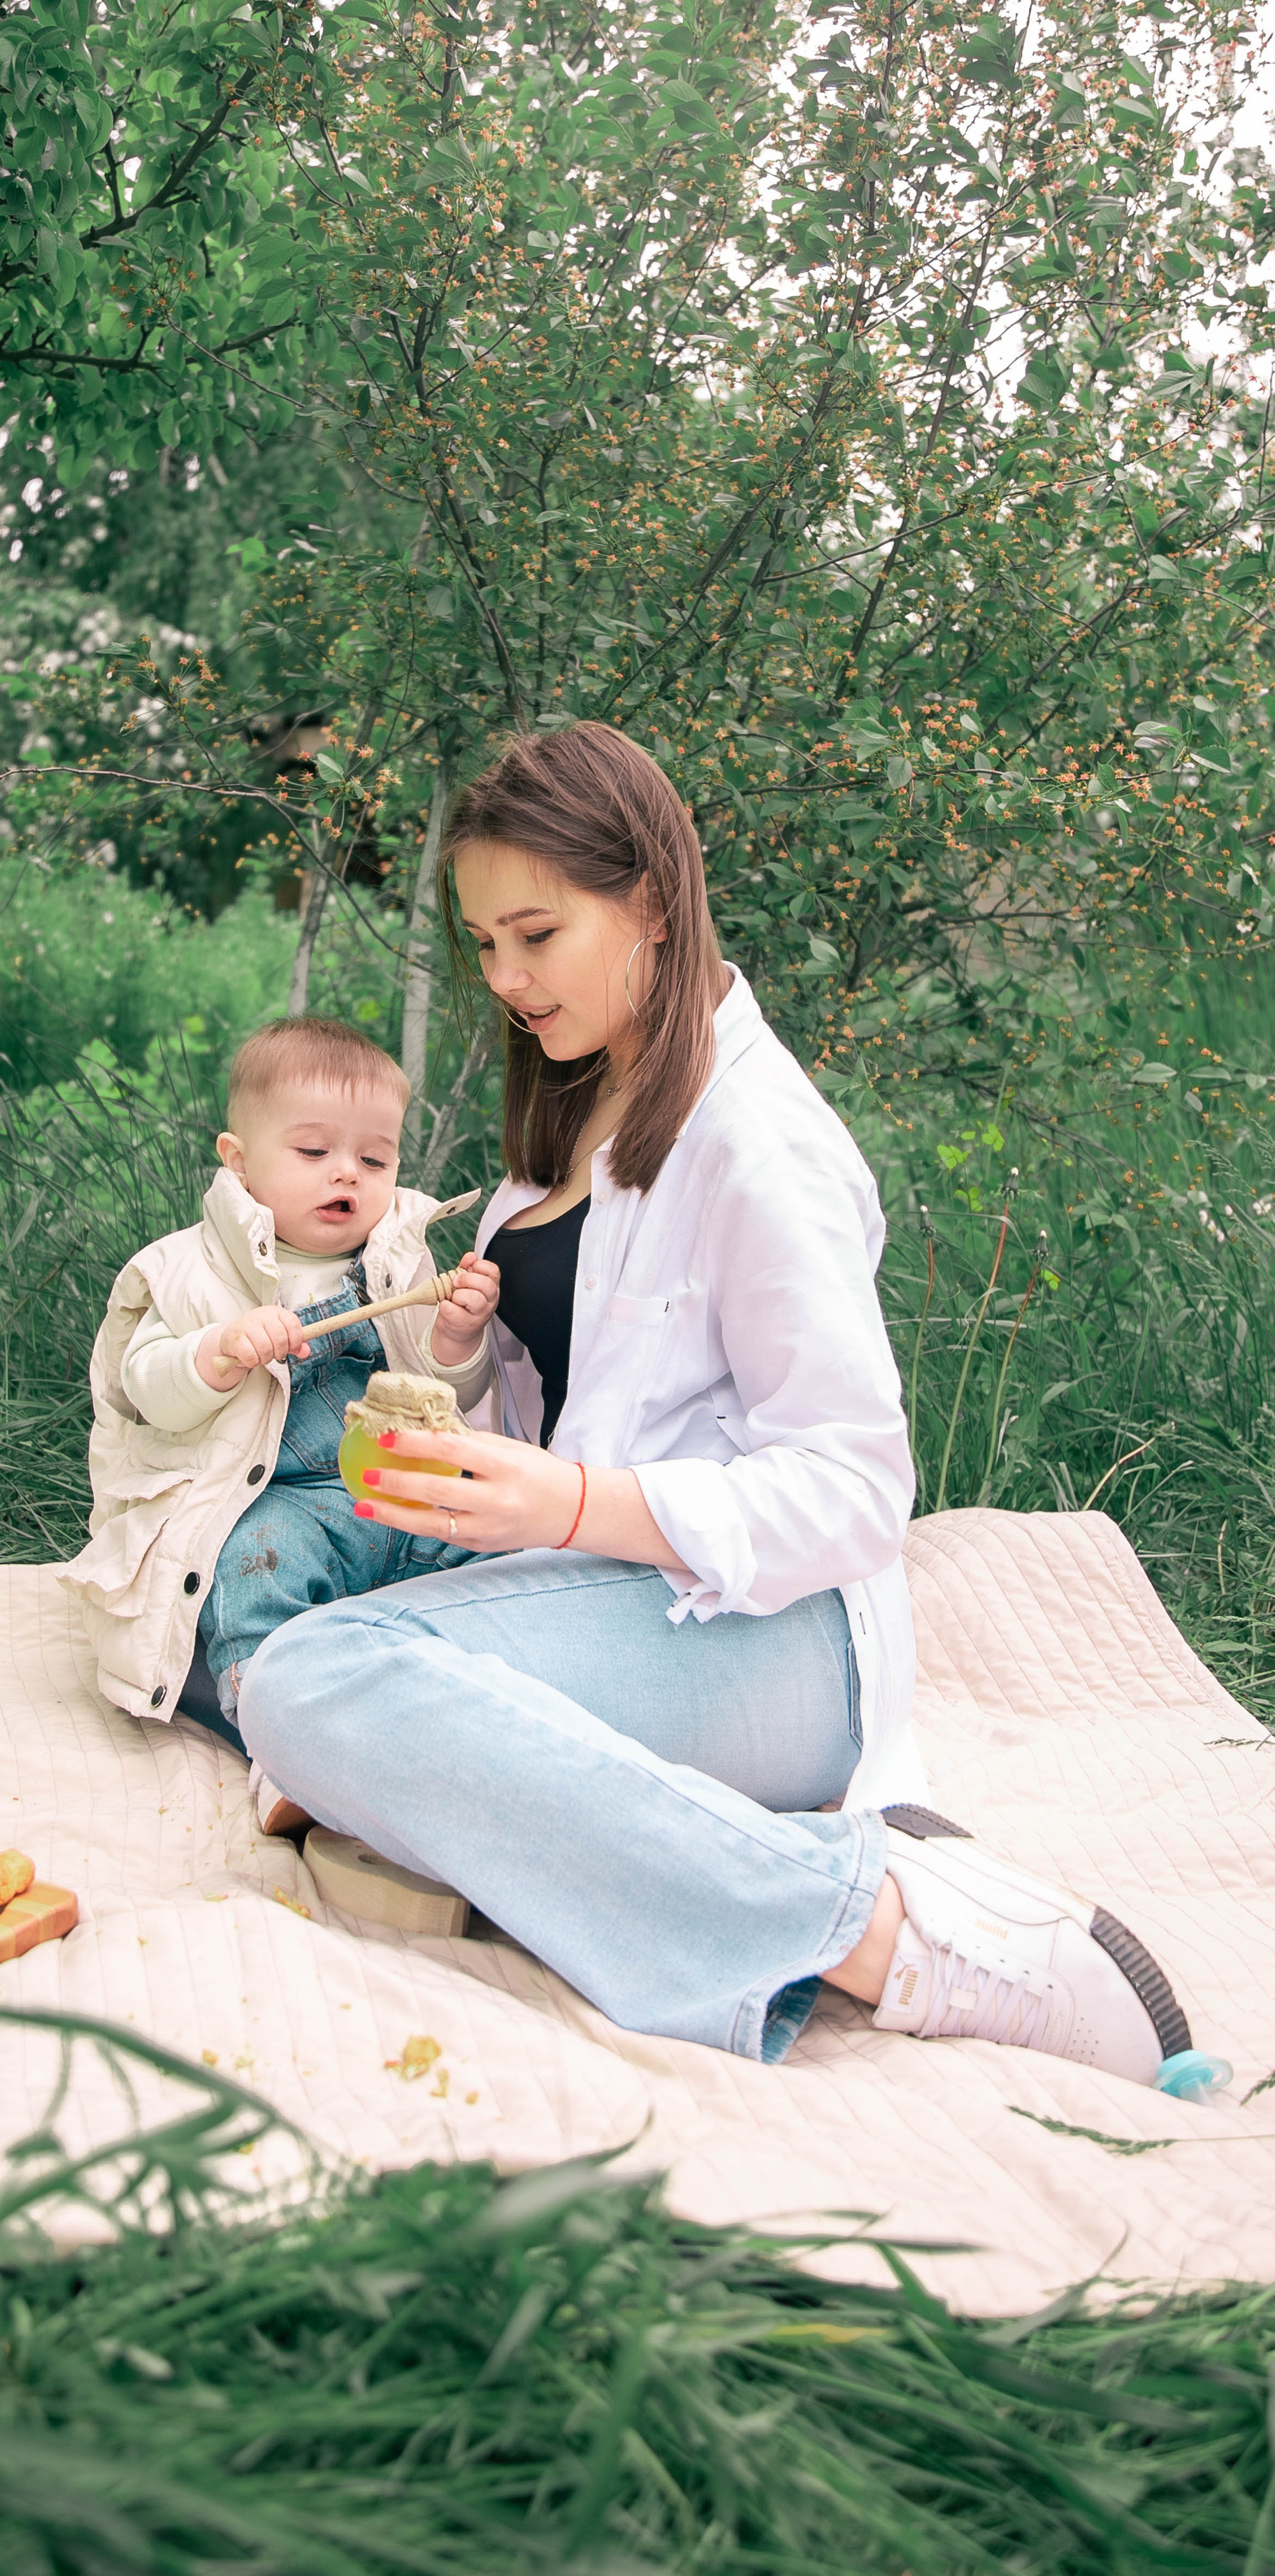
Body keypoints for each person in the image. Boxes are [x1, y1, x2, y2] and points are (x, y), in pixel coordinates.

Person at [235, 725, 1194, 2087]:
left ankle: (880, 1926)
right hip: (612, 1593)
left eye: (534, 934)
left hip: (773, 1635)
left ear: (648, 903)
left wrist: (568, 1501)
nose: (504, 980)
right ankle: (636, 1826)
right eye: (483, 946)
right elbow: (576, 1411)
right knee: (312, 1682)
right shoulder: (573, 1120)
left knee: (316, 1682)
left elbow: (857, 1492)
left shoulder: (760, 1143)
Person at [60, 1017, 500, 1825]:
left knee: (471, 1540)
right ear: (239, 1161)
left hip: (380, 1486)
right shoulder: (189, 1270)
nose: (349, 1176)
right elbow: (144, 1387)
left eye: (374, 1159)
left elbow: (448, 1394)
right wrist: (217, 1354)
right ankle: (281, 1747)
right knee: (255, 1576)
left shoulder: (397, 1262)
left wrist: (457, 1341)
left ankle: (444, 1707)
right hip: (264, 1501)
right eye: (314, 1153)